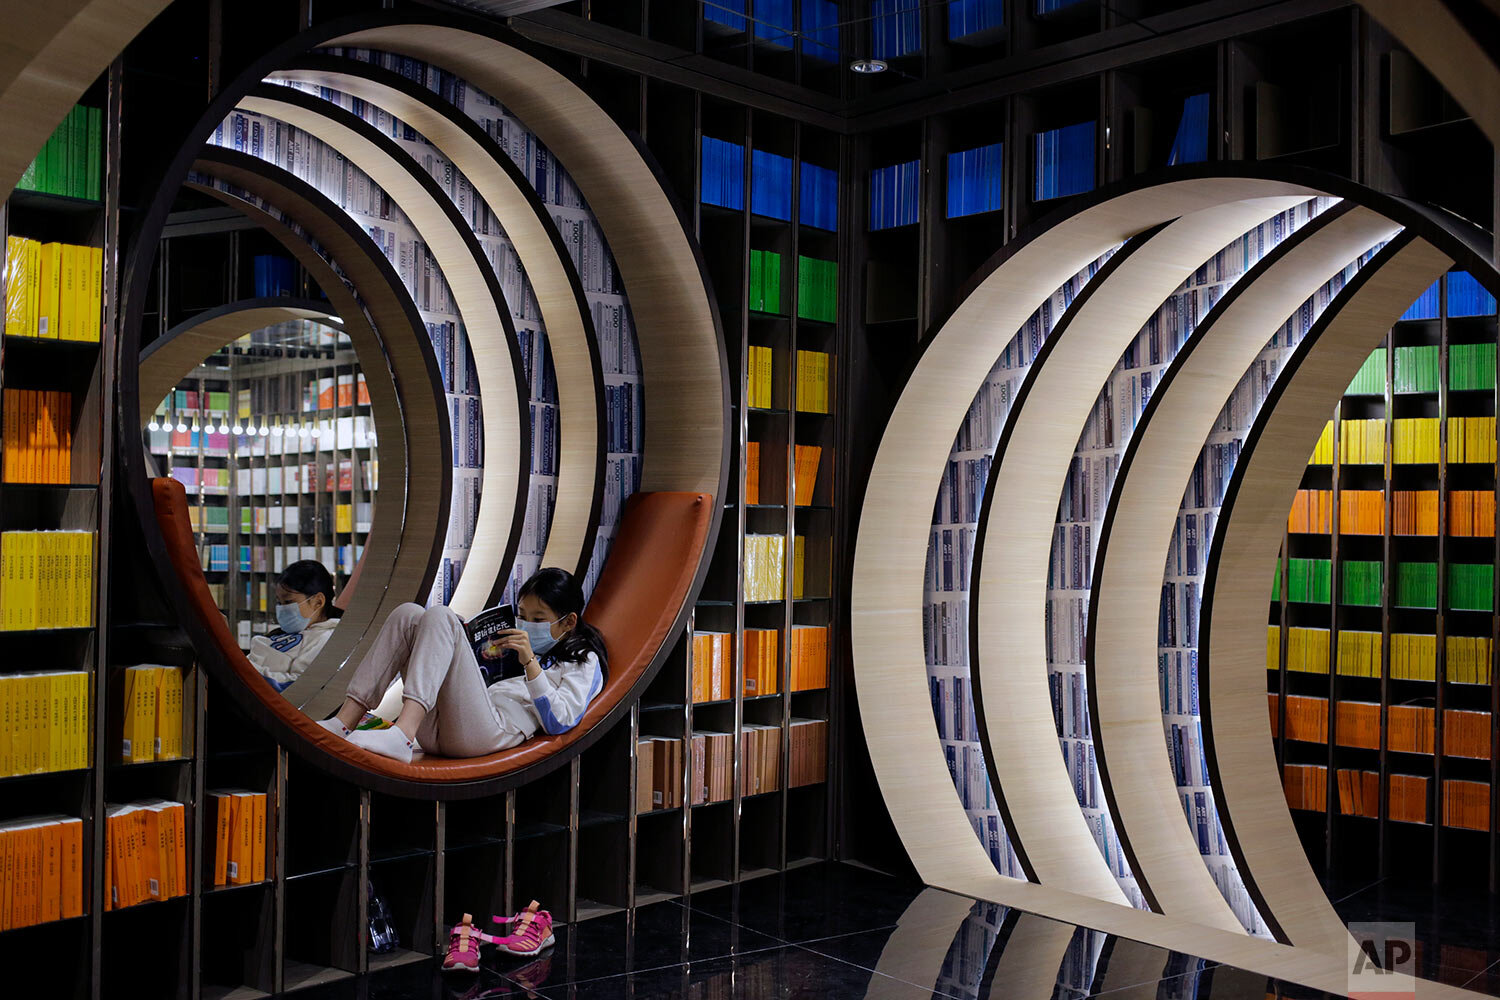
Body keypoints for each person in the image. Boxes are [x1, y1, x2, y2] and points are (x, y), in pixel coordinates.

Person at [320, 567, 607, 764]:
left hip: (492, 732)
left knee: (442, 617)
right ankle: (345, 721)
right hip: (446, 727)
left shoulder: (583, 658)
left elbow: (561, 721)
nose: (526, 626)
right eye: (522, 616)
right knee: (409, 615)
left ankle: (402, 736)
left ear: (569, 621)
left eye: (538, 619)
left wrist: (530, 663)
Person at [249, 560, 344, 691]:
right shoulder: (283, 632)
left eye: (288, 602)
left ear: (318, 601)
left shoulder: (327, 639)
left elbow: (297, 687)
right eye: (279, 602)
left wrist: (246, 671)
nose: (282, 609)